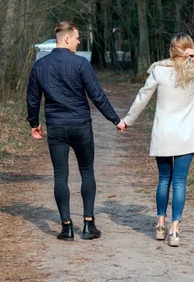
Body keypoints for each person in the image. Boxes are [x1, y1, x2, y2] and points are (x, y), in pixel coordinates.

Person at [26, 21, 126, 241]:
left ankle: (66, 227)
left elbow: (33, 99)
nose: (79, 42)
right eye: (78, 37)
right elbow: (97, 95)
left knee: (60, 176)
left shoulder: (40, 66)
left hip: (57, 127)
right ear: (67, 38)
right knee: (87, 172)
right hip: (81, 126)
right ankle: (89, 226)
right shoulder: (80, 64)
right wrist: (115, 120)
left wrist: (34, 123)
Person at [121, 33, 194, 247]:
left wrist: (127, 121)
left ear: (170, 50)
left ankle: (160, 225)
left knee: (163, 179)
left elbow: (142, 96)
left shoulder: (159, 70)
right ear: (189, 50)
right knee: (179, 182)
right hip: (187, 136)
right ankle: (174, 231)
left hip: (164, 135)